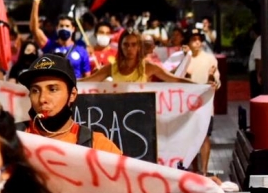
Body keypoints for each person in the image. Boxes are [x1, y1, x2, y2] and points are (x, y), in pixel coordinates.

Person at [16, 54, 122, 153]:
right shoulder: (9, 138)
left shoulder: (99, 147)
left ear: (72, 95)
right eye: (35, 90)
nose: (42, 99)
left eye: (52, 89)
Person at [82, 29, 195, 84]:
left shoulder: (149, 67)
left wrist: (203, 86)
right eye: (126, 45)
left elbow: (175, 79)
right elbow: (87, 81)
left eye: (133, 44)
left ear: (139, 47)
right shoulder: (111, 68)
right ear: (120, 47)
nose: (129, 48)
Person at [29, 0, 91, 79]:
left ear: (73, 29)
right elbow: (34, 29)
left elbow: (87, 77)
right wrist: (36, 2)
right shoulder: (50, 46)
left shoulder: (81, 50)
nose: (64, 28)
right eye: (61, 25)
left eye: (67, 26)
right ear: (57, 28)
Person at [184, 29, 220, 176]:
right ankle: (193, 170)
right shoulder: (185, 58)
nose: (197, 42)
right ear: (188, 42)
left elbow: (216, 83)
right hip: (187, 105)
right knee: (190, 137)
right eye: (193, 39)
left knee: (205, 136)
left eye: (199, 39)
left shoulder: (210, 59)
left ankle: (204, 171)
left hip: (205, 104)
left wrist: (212, 77)